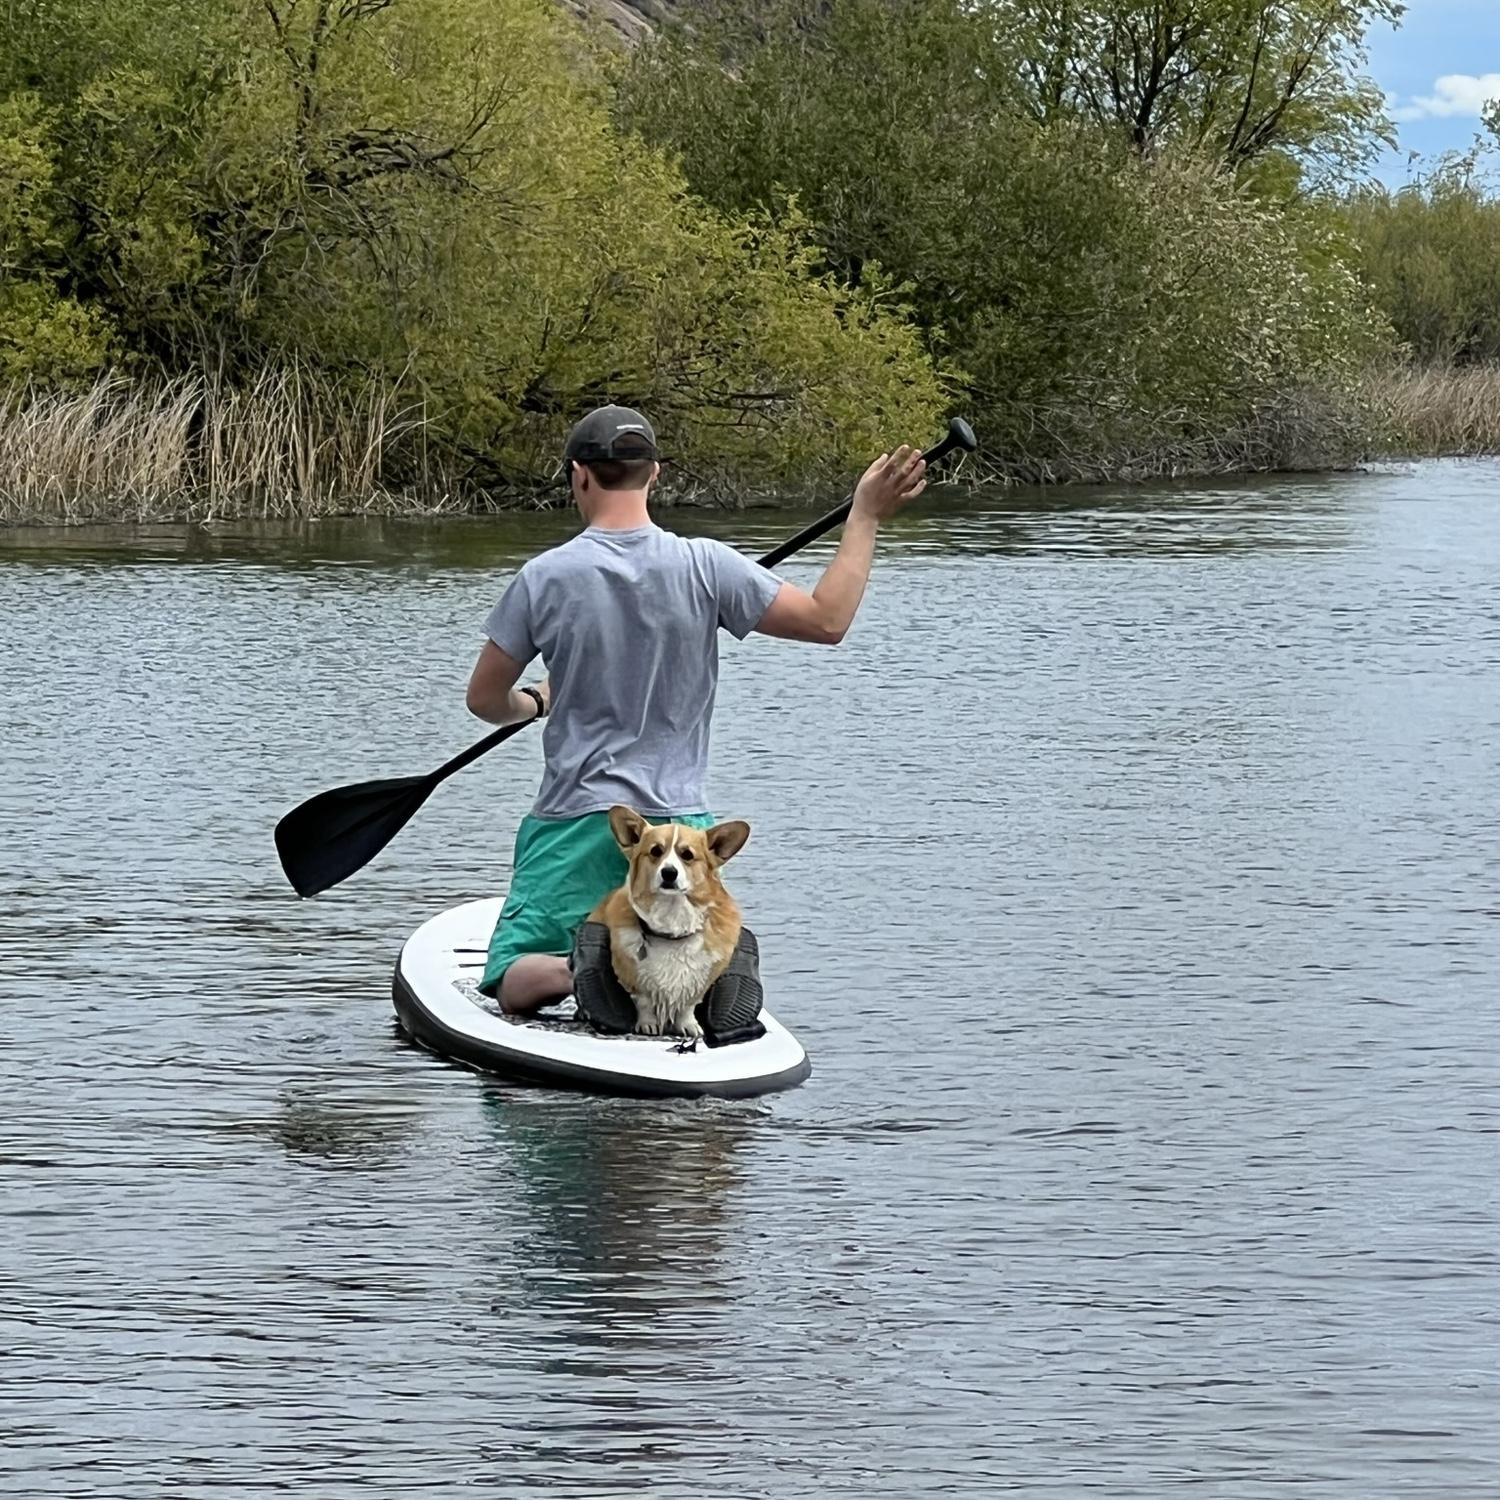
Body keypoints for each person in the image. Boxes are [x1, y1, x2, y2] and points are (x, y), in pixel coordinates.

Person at [466, 404, 927, 1019]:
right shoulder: (708, 565)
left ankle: (585, 969)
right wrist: (865, 514)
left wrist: (533, 701)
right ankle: (700, 971)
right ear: (654, 474)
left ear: (579, 475)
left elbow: (484, 700)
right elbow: (827, 620)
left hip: (576, 820)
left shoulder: (543, 578)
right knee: (678, 940)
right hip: (682, 834)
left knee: (512, 981)